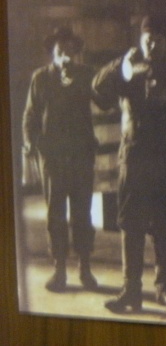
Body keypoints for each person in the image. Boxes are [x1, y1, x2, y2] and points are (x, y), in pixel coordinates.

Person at [93, 15, 166, 313]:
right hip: (134, 158)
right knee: (131, 225)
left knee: (164, 224)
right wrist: (121, 66)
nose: (152, 42)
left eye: (158, 38)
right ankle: (130, 291)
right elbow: (98, 92)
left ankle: (164, 289)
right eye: (147, 37)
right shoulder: (127, 72)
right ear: (140, 41)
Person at [22, 26, 101, 293]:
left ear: (75, 52)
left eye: (69, 48)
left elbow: (103, 100)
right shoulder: (40, 78)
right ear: (52, 51)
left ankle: (85, 267)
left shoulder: (86, 75)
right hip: (53, 160)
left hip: (80, 156)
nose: (65, 52)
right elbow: (30, 117)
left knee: (82, 213)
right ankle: (59, 270)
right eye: (60, 48)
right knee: (55, 214)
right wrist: (32, 144)